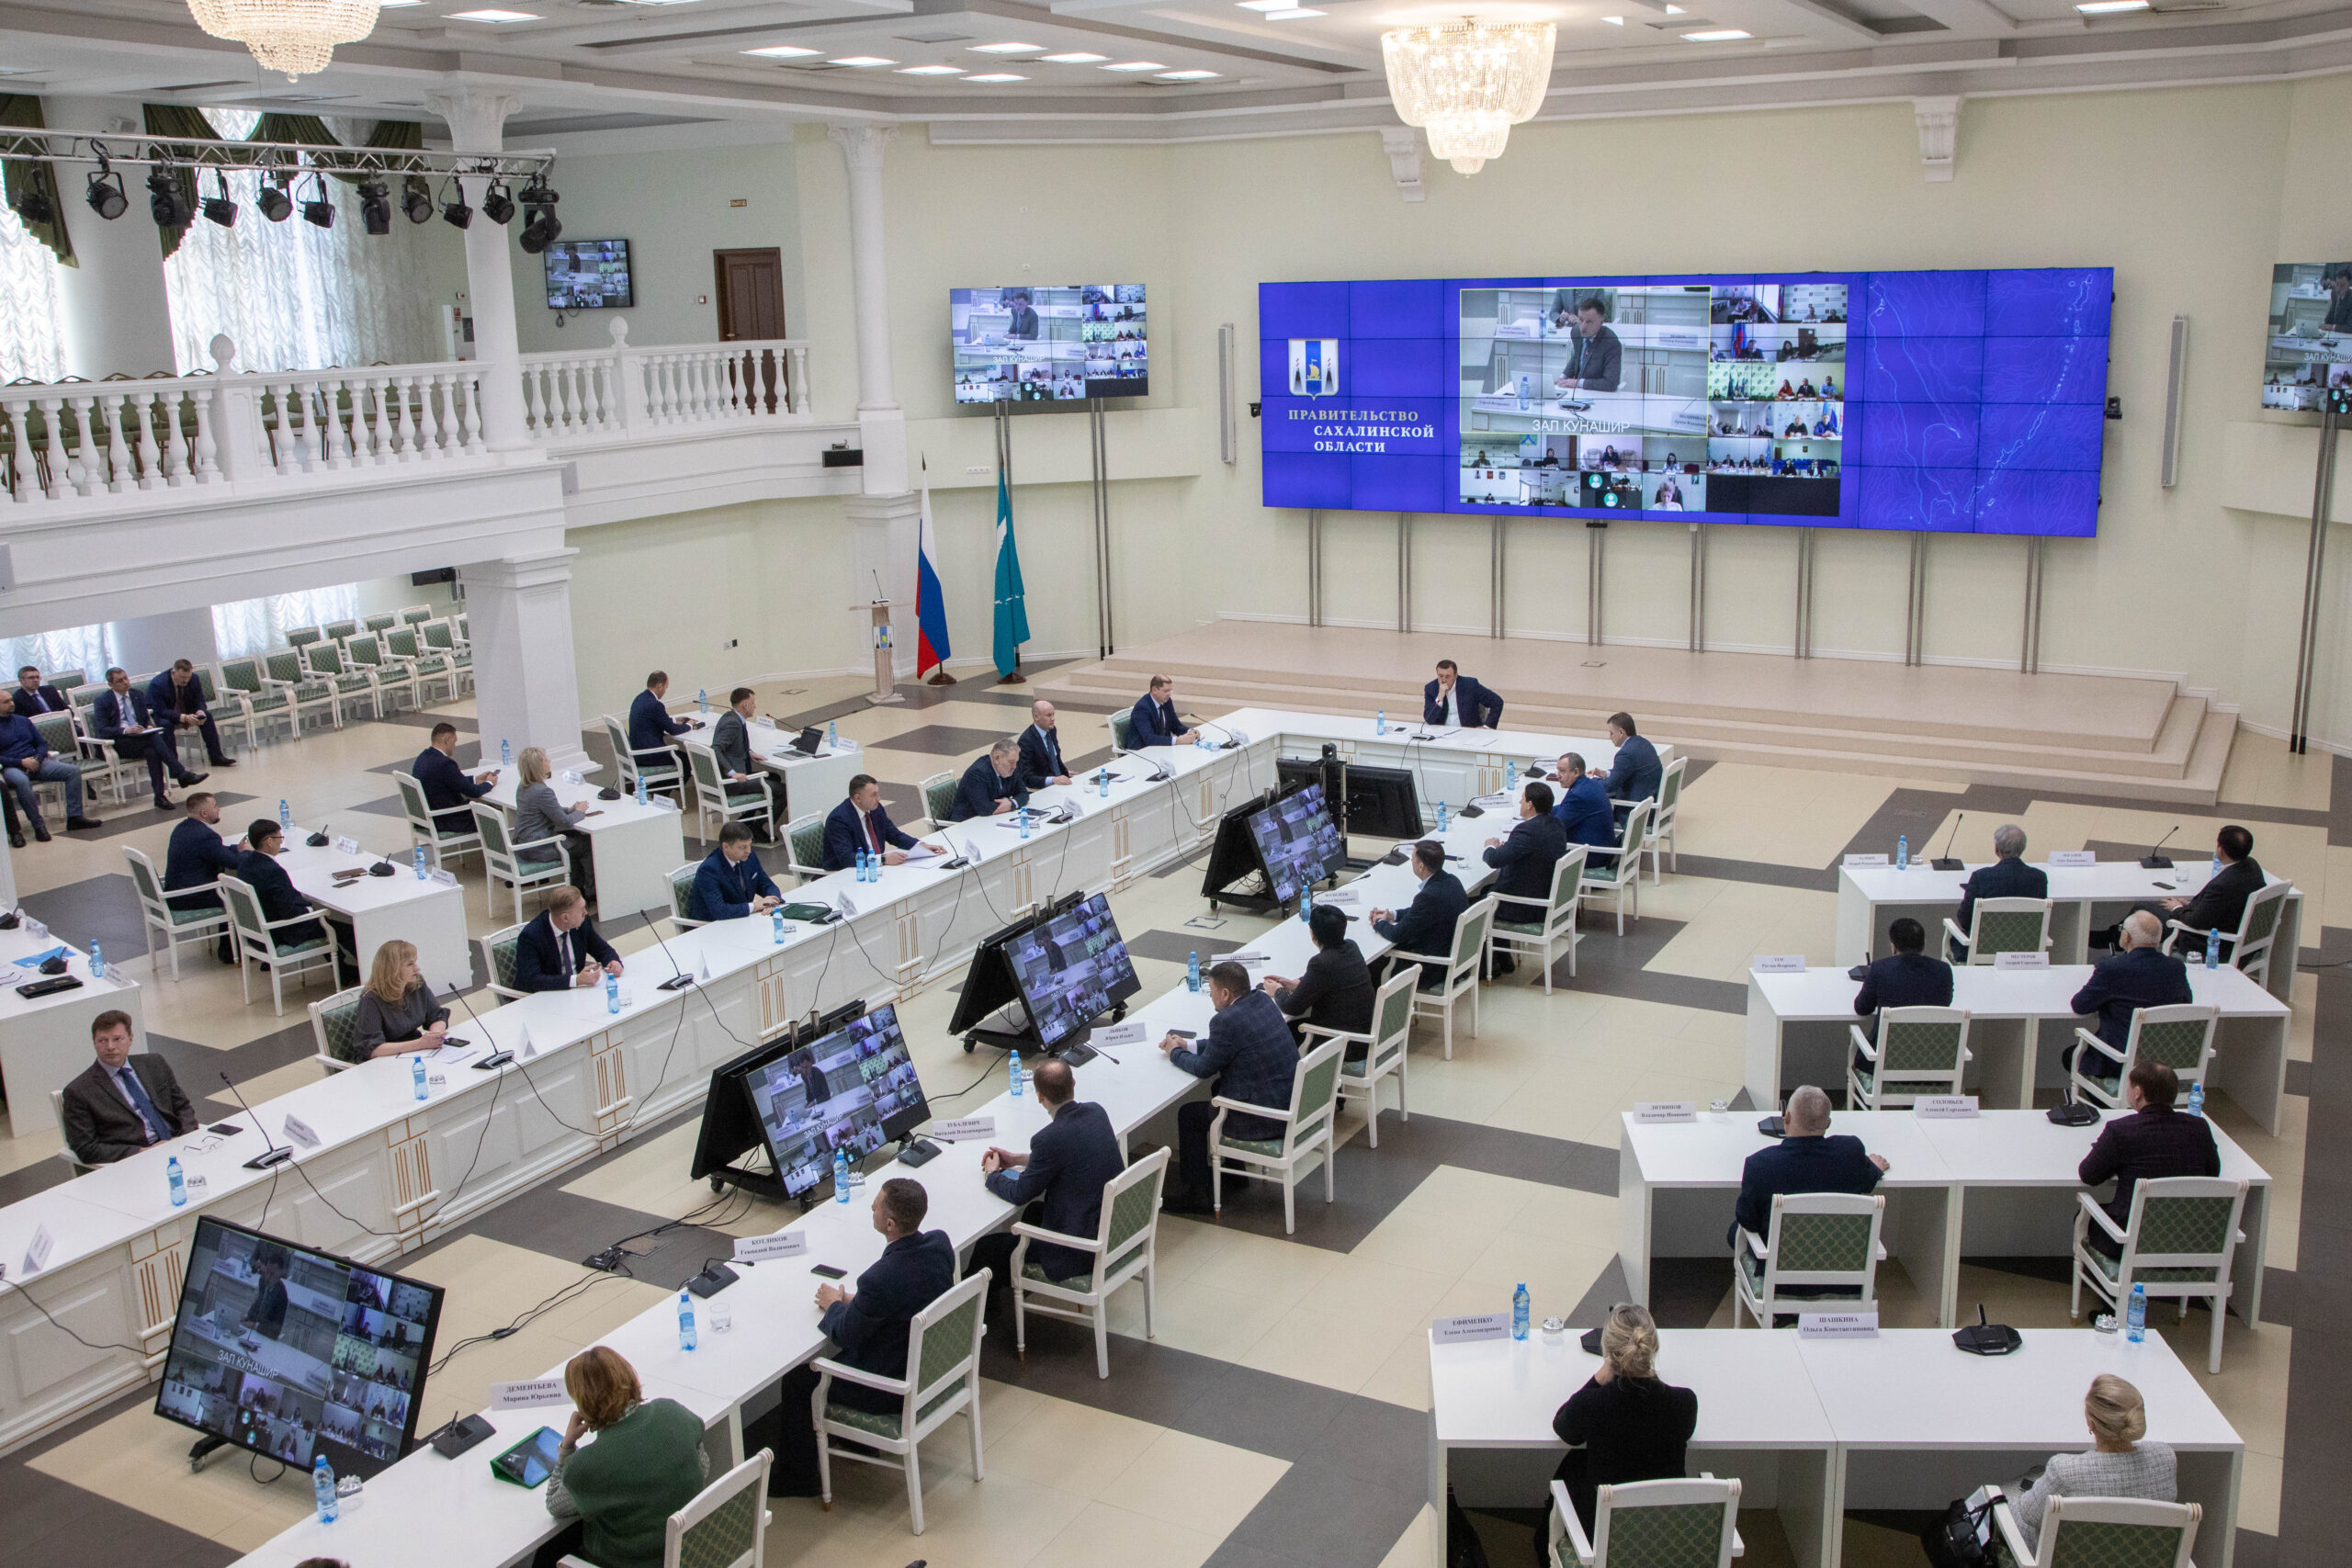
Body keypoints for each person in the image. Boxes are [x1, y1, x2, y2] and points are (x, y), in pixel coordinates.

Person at [758, 1179, 956, 1497]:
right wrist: (855, 1300)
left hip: (889, 1386)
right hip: (928, 1366)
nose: (872, 1207)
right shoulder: (939, 1245)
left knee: (799, 1380)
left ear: (890, 1225)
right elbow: (908, 1294)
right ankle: (857, 1443)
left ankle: (800, 1477)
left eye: (877, 1205)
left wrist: (834, 1305)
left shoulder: (879, 1278)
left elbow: (845, 1334)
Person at [967, 1058, 1125, 1306]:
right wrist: (1018, 1159)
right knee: (1034, 1212)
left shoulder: (1047, 1139)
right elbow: (1070, 1155)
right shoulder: (1096, 1112)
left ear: (1040, 1097)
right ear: (1073, 1083)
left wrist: (992, 1174)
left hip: (1080, 1249)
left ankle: (978, 1312)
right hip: (1110, 1227)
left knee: (989, 1247)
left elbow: (1020, 1193)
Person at [1540, 1303, 1697, 1552]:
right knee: (1576, 1462)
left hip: (1606, 1537)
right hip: (1667, 1534)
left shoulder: (1592, 1404)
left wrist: (1599, 1378)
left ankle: (1544, 1544)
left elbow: (1563, 1427)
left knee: (1574, 1463)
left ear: (1609, 1353)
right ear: (1653, 1347)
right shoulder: (1684, 1403)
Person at [536, 1346, 709, 1568]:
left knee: (546, 1553)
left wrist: (567, 1446)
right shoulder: (673, 1412)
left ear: (583, 1404)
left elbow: (555, 1505)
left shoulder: (586, 1467)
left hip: (631, 1562)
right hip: (693, 1553)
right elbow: (703, 1467)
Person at [1160, 961, 1298, 1213]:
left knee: (1189, 1115)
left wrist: (1175, 1053)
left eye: (1212, 990)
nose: (1210, 996)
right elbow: (1224, 1045)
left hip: (1265, 1118)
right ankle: (1235, 1173)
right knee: (1219, 1086)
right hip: (1287, 1102)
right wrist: (1189, 1045)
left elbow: (1204, 1068)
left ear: (1225, 993)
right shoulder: (1262, 1000)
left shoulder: (1225, 1021)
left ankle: (1197, 1194)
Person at [2006, 1375, 2177, 1556]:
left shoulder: (2065, 1471)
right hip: (2138, 1558)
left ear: (2091, 1423)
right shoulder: (2165, 1457)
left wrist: (2000, 1498)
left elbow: (2029, 1515)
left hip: (2061, 1558)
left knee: (2001, 1497)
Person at [2077, 1062, 2219, 1258]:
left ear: (2138, 1092)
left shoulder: (2120, 1130)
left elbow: (2088, 1175)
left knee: (2083, 1218)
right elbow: (2212, 1174)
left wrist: (2114, 1158)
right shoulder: (2199, 1127)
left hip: (2128, 1241)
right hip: (2187, 1240)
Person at [1731, 1085, 1889, 1247]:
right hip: (1839, 1250)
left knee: (1734, 1231)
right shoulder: (1850, 1151)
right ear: (1828, 1123)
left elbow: (1748, 1220)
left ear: (1787, 1117)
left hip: (1777, 1254)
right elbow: (1867, 1182)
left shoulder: (1760, 1164)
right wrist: (1874, 1167)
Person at [60, 1010, 198, 1165]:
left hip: (179, 1143)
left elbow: (182, 1106)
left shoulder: (154, 1063)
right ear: (94, 1042)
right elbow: (86, 1148)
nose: (110, 1047)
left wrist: (186, 1137)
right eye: (102, 1041)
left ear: (130, 1039)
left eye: (117, 1039)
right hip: (137, 1160)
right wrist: (141, 1152)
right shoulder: (78, 1091)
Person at [2109, 825, 2266, 956]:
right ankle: (2113, 938)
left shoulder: (2223, 885)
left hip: (2207, 941)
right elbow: (2222, 905)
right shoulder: (2252, 866)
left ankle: (2117, 943)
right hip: (2230, 929)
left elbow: (2196, 922)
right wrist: (2191, 904)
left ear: (2222, 850)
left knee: (2142, 910)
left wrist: (2177, 907)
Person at [2069, 910, 2194, 1069]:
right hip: (2164, 1062)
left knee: (2071, 1055)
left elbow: (2080, 1005)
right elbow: (2186, 1003)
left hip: (2120, 1060)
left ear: (2126, 937)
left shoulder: (2112, 968)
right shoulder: (2176, 967)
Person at [1261, 903, 1375, 1054]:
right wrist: (1294, 984)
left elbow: (1292, 1007)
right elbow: (1328, 980)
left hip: (1342, 1044)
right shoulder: (1351, 947)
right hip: (1362, 1034)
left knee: (1279, 1031)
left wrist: (1277, 991)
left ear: (1312, 933)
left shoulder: (1320, 963)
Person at [94, 667, 206, 809]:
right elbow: (102, 730)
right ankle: (181, 773)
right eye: (120, 681)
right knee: (153, 739)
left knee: (152, 751)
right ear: (111, 685)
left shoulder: (137, 694)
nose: (126, 682)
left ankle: (159, 796)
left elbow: (144, 719)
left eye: (126, 678)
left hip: (139, 739)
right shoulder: (102, 701)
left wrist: (147, 726)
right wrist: (126, 730)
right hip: (117, 743)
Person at [237, 818, 340, 969]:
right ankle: (348, 973)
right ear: (269, 842)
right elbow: (289, 911)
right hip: (280, 932)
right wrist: (311, 910)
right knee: (337, 927)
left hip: (256, 932)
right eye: (280, 838)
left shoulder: (245, 864)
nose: (281, 842)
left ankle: (342, 968)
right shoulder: (273, 871)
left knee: (323, 921)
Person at [0, 688, 101, 837]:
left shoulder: (23, 721)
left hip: (35, 762)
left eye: (11, 700)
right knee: (22, 782)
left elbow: (41, 743)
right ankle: (38, 826)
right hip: (11, 767)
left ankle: (75, 817)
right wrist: (21, 762)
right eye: (6, 702)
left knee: (72, 771)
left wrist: (37, 759)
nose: (11, 703)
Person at [1851, 917, 1953, 1061]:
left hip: (1884, 1060)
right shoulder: (1944, 970)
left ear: (1893, 947)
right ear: (1924, 944)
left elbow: (1862, 1008)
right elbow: (1945, 1003)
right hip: (1932, 1060)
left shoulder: (1880, 969)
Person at [1370, 840, 1467, 989]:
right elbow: (1420, 912)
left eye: (1413, 860)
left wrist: (1379, 923)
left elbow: (1397, 934)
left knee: (1376, 961)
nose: (1411, 863)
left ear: (1421, 866)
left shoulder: (1428, 897)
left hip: (1431, 968)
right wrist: (1392, 915)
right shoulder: (1452, 881)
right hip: (1450, 956)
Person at [1950, 823, 2048, 961]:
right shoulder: (2039, 878)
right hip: (2024, 954)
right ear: (2023, 848)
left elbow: (1965, 920)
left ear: (1997, 849)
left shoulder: (1981, 877)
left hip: (1981, 950)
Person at [166, 791, 244, 962]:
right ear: (204, 813)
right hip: (190, 896)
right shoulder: (205, 836)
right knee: (239, 896)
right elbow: (233, 863)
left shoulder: (182, 828)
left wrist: (235, 849)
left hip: (176, 891)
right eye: (215, 806)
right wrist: (249, 854)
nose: (218, 809)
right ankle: (231, 951)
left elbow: (215, 852)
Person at [344, 939, 451, 1063]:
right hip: (382, 1061)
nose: (417, 968)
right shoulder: (371, 1000)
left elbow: (437, 1016)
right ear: (392, 969)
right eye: (409, 964)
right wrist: (420, 1044)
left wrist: (435, 1035)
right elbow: (372, 1049)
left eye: (415, 962)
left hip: (413, 1052)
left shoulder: (417, 983)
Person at [514, 746, 596, 906]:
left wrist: (570, 809)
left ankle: (578, 887)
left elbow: (547, 811)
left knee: (574, 841)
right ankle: (590, 891)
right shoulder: (542, 791)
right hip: (539, 848)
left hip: (524, 844)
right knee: (585, 844)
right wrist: (580, 812)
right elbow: (564, 822)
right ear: (538, 766)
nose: (549, 761)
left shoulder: (523, 787)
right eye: (546, 760)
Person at [821, 773, 943, 872]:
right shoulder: (839, 819)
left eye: (878, 794)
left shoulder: (876, 809)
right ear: (857, 798)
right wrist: (883, 859)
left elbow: (895, 836)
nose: (878, 799)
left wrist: (920, 845)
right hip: (846, 873)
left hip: (875, 868)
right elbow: (847, 858)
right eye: (873, 795)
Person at [514, 886, 624, 992]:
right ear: (565, 917)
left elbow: (601, 949)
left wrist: (613, 961)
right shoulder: (531, 936)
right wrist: (576, 980)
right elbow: (531, 980)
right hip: (545, 995)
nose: (586, 913)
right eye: (581, 910)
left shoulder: (582, 923)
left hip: (577, 993)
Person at [710, 686, 786, 835]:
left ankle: (747, 821)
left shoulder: (730, 717)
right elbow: (716, 749)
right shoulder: (733, 724)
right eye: (753, 702)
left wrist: (749, 752)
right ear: (745, 704)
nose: (755, 706)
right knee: (783, 791)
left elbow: (731, 745)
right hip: (734, 782)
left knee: (774, 777)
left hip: (737, 773)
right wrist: (732, 773)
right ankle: (759, 827)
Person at [413, 721, 496, 836]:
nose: (455, 746)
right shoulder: (445, 763)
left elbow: (448, 781)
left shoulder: (423, 757)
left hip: (428, 818)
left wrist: (475, 780)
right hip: (447, 820)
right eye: (454, 741)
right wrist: (489, 783)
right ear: (447, 739)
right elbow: (473, 792)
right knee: (494, 814)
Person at [149, 659, 237, 768]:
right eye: (182, 677)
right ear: (173, 672)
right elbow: (161, 710)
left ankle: (216, 757)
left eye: (188, 677)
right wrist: (183, 717)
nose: (186, 681)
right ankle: (174, 766)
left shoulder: (194, 679)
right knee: (166, 724)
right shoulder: (158, 684)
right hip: (164, 714)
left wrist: (200, 711)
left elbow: (200, 699)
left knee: (207, 717)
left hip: (185, 709)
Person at [690, 820, 782, 921]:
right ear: (726, 846)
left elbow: (767, 884)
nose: (748, 851)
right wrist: (754, 906)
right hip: (713, 925)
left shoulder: (749, 857)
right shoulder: (709, 870)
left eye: (749, 845)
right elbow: (719, 910)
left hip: (741, 919)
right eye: (743, 847)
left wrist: (772, 901)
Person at [627, 671, 699, 780]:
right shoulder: (655, 705)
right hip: (649, 754)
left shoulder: (639, 698)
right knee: (686, 759)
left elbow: (652, 719)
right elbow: (673, 730)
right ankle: (670, 788)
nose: (665, 691)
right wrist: (689, 725)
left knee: (682, 756)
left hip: (637, 750)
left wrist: (674, 720)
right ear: (660, 686)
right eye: (666, 688)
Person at [1552, 751, 1618, 862]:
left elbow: (1555, 827)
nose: (1557, 775)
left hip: (1591, 856)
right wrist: (1540, 810)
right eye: (1558, 771)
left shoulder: (1578, 794)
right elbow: (1564, 807)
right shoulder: (1589, 784)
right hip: (1601, 848)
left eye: (1562, 771)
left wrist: (1534, 822)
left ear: (1576, 772)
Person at [1551, 298, 1623, 393]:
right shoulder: (1576, 332)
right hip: (1576, 392)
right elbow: (1577, 357)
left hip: (1597, 394)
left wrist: (1578, 383)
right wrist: (1562, 378)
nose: (1583, 327)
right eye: (1581, 320)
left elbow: (1611, 383)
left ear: (1601, 322)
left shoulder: (1611, 342)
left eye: (1589, 322)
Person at [950, 739, 1030, 822]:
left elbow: (1024, 793)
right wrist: (1009, 805)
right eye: (1011, 762)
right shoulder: (977, 773)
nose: (1014, 766)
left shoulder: (1009, 769)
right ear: (997, 758)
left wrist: (1011, 803)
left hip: (992, 819)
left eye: (1016, 762)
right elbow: (984, 808)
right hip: (967, 823)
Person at [1592, 713, 1661, 807]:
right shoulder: (1644, 743)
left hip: (1636, 808)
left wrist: (1591, 780)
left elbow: (1609, 787)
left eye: (1611, 733)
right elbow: (1624, 771)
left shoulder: (1625, 754)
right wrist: (1606, 774)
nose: (1610, 737)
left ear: (1621, 732)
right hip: (1650, 799)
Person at [1422, 659, 1504, 729]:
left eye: (1448, 677)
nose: (1443, 680)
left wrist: (1487, 726)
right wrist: (1439, 698)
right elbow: (1429, 719)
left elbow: (1497, 702)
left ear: (1456, 675)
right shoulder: (1431, 688)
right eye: (1440, 676)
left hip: (1468, 732)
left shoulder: (1470, 685)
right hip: (1442, 732)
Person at [1128, 674, 1196, 748]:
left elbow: (1175, 725)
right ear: (1154, 690)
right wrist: (1178, 741)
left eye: (1170, 691)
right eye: (1166, 691)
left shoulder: (1167, 701)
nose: (1169, 694)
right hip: (1141, 750)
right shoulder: (1142, 708)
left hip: (1161, 748)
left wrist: (1190, 732)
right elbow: (1149, 738)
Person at [1017, 698, 1072, 788]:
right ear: (1036, 717)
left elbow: (1055, 759)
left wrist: (1064, 773)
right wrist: (1052, 780)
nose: (1053, 719)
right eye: (1048, 715)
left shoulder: (1052, 730)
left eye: (1053, 714)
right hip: (1042, 788)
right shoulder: (1026, 741)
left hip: (1058, 782)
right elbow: (1027, 777)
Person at [242, 1247, 290, 1339]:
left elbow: (275, 1331)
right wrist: (247, 1317)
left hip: (264, 1337)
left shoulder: (281, 1296)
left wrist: (254, 1326)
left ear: (280, 1274)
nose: (268, 1277)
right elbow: (258, 1304)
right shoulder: (263, 1281)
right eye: (267, 1271)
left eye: (272, 1274)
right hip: (251, 1331)